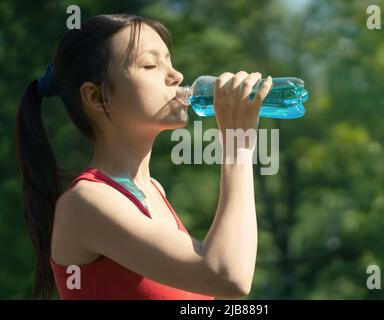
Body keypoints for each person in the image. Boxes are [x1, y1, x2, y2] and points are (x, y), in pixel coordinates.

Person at [16, 14, 272, 300]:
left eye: (169, 61)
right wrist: (237, 144)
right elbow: (228, 276)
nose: (176, 76)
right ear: (96, 97)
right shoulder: (85, 202)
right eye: (150, 65)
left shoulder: (153, 191)